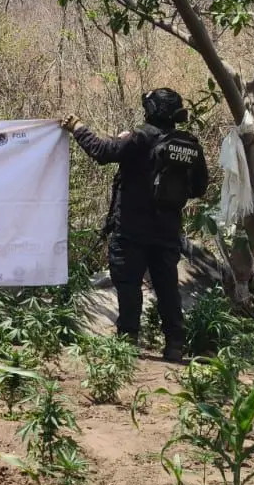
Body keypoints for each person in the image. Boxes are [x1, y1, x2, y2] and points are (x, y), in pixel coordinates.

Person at [62, 88, 208, 363]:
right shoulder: (189, 145)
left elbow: (102, 151)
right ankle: (174, 345)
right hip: (167, 232)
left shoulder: (141, 138)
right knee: (167, 289)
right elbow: (199, 187)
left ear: (152, 110)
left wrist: (77, 127)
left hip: (131, 230)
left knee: (129, 286)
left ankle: (128, 341)